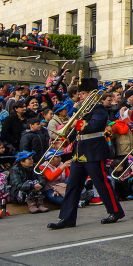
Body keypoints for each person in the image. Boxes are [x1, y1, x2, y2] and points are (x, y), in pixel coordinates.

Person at [49, 78, 124, 229]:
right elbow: (75, 129)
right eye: (80, 93)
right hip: (80, 150)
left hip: (94, 149)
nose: (80, 96)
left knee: (101, 182)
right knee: (73, 185)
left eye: (83, 93)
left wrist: (78, 123)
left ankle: (115, 211)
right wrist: (65, 140)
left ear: (91, 94)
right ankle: (67, 217)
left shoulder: (98, 108)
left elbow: (95, 125)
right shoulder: (82, 109)